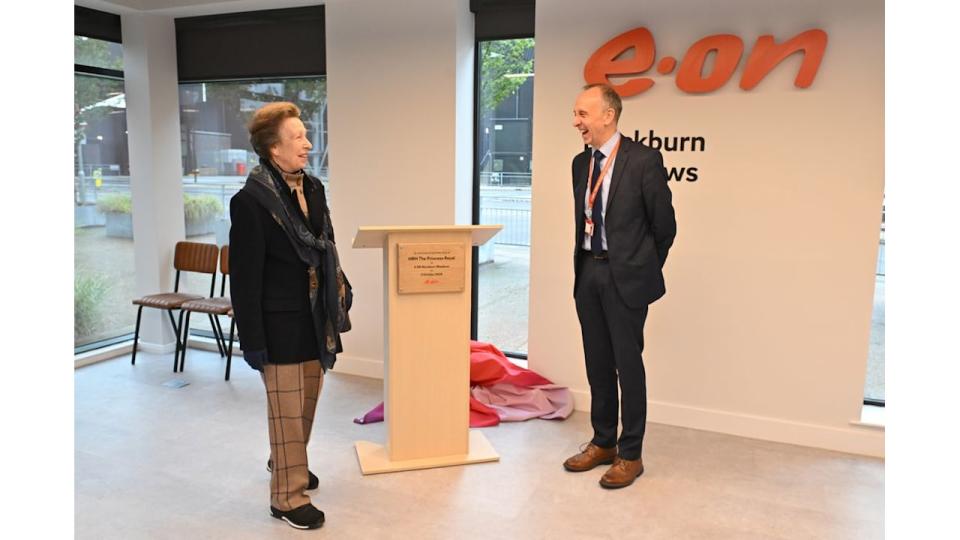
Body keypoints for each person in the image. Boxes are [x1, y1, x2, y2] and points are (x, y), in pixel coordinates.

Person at [229, 102, 352, 529]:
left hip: (314, 317)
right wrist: (252, 340)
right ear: (273, 148)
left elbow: (325, 244)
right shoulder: (250, 203)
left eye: (305, 135)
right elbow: (244, 279)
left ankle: (285, 460)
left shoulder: (313, 188)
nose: (307, 143)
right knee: (285, 407)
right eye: (297, 137)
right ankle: (286, 496)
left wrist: (342, 285)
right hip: (276, 322)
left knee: (304, 405)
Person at [562, 84, 676, 489]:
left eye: (582, 114)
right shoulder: (580, 164)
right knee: (596, 363)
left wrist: (640, 268)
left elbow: (665, 227)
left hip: (625, 278)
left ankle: (631, 454)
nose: (576, 122)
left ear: (608, 115)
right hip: (588, 272)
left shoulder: (644, 160)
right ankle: (603, 442)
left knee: (628, 366)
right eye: (576, 114)